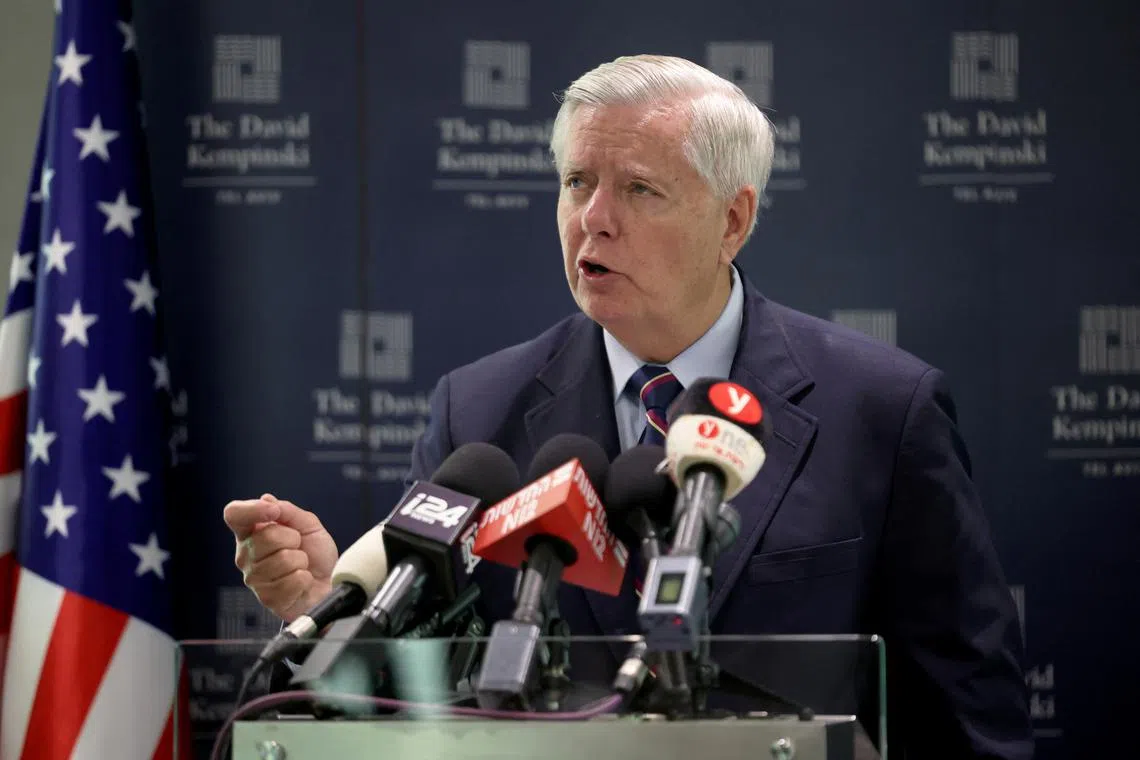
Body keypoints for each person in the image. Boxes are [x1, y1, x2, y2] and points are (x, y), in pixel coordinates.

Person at [223, 54, 1033, 758]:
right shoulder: (477, 412)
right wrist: (344, 612)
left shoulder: (883, 411)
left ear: (733, 220)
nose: (594, 219)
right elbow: (428, 704)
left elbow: (968, 712)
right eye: (577, 182)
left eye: (639, 189)